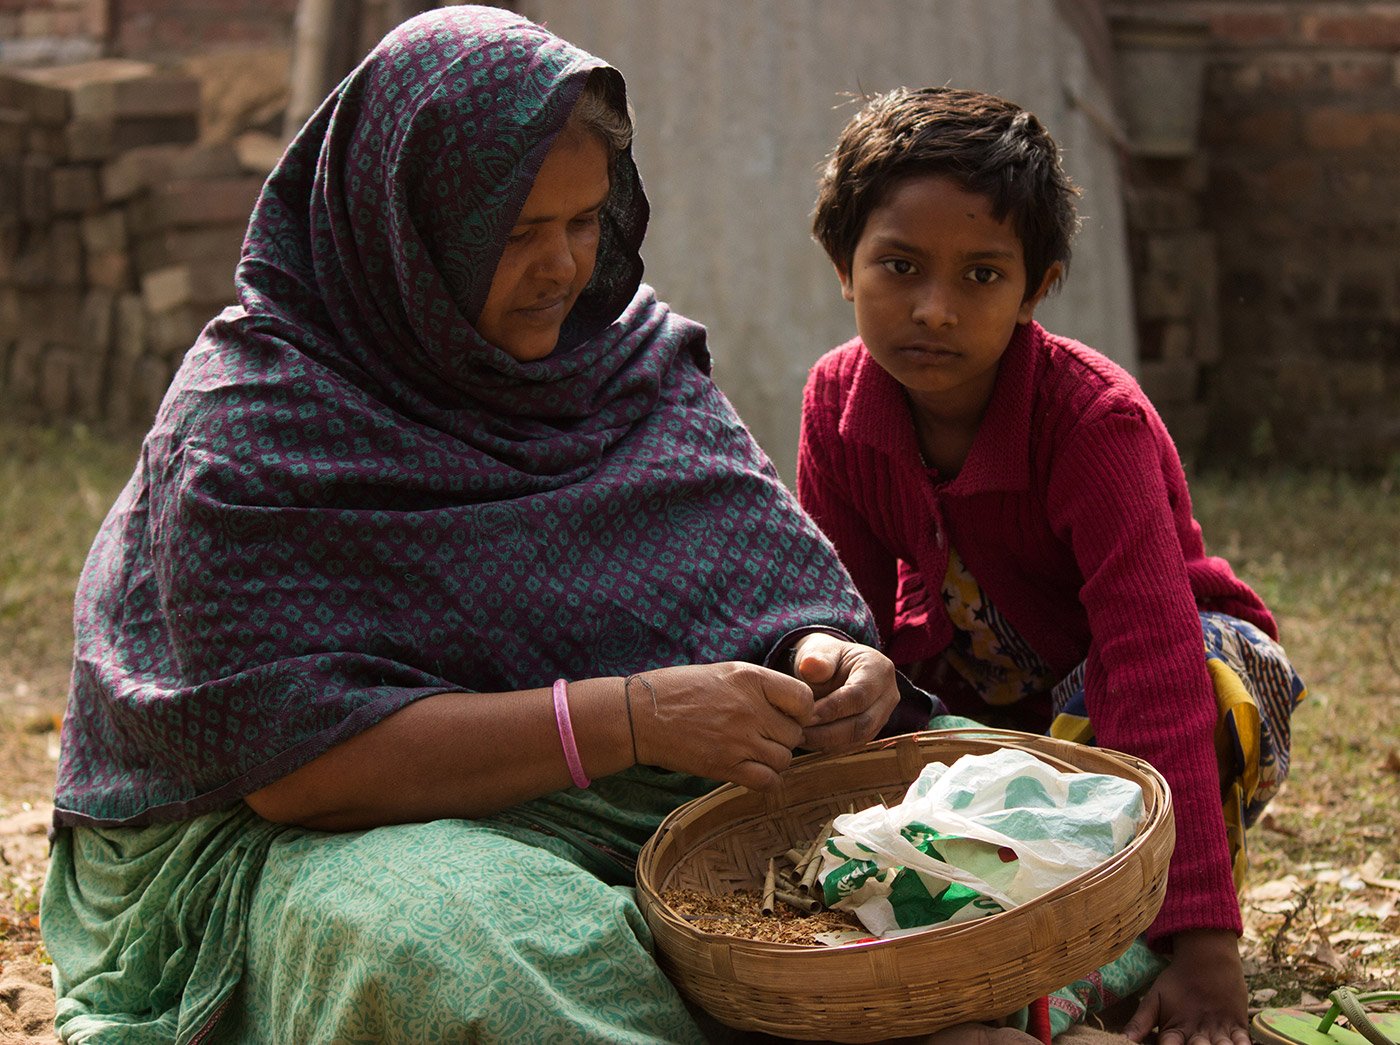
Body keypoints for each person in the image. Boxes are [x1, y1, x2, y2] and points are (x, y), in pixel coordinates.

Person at [38, 9, 952, 1042]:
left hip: (641, 778)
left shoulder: (621, 359)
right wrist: (633, 718)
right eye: (517, 233)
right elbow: (301, 772)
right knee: (473, 960)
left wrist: (825, 656)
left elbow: (748, 569)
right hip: (325, 830)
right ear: (404, 224)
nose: (564, 266)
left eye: (583, 221)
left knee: (983, 805)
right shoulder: (252, 425)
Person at [798, 87, 1306, 1045]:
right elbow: (845, 616)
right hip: (996, 699)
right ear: (843, 264)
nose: (935, 309)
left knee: (1196, 675)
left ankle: (1157, 921)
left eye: (982, 275)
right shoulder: (836, 403)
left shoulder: (1090, 422)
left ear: (1036, 289)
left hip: (1163, 684)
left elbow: (1151, 664)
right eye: (899, 266)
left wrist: (1207, 947)